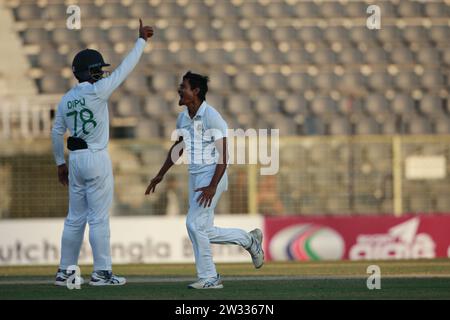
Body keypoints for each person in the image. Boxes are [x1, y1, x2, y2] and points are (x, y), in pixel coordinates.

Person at [51, 19, 153, 286]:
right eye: (98, 70)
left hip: (75, 161)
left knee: (74, 219)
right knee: (98, 219)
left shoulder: (66, 99)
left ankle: (65, 272)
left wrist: (60, 163)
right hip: (96, 157)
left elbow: (55, 133)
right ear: (90, 72)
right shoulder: (98, 92)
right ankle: (102, 273)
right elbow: (125, 69)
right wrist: (141, 41)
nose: (102, 74)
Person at [145, 71, 264, 289]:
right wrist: (160, 174)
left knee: (193, 224)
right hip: (196, 178)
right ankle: (249, 240)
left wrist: (212, 185)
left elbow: (224, 156)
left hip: (212, 177)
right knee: (204, 229)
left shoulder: (212, 117)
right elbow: (178, 147)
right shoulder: (183, 117)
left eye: (184, 87)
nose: (179, 90)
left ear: (196, 91)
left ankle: (210, 277)